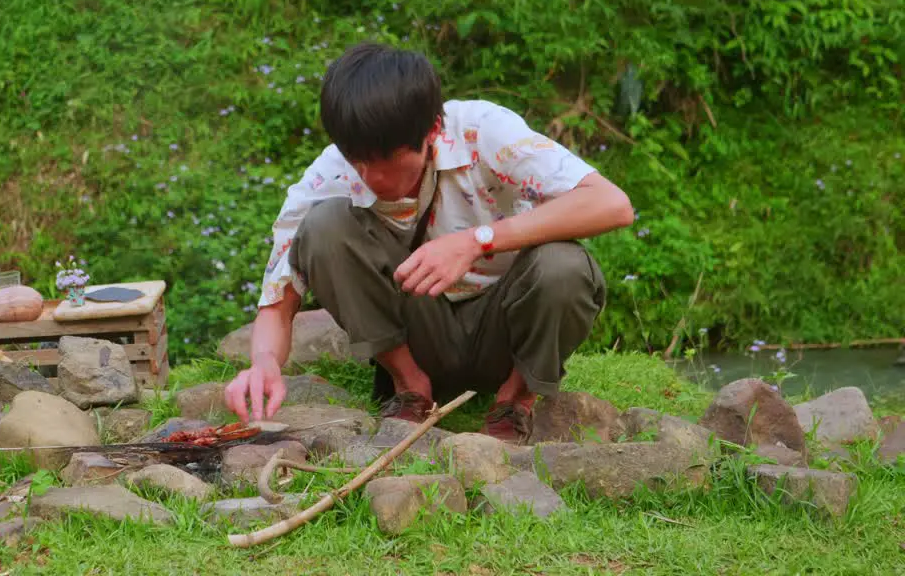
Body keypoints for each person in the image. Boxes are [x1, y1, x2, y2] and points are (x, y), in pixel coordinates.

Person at [222, 42, 635, 444]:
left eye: (387, 162)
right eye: (358, 160)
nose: (371, 178)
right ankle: (409, 387)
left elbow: (612, 204)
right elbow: (278, 300)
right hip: (419, 335)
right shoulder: (327, 174)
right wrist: (264, 364)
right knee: (324, 225)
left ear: (433, 129)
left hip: (508, 330)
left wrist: (478, 241)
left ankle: (516, 399)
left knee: (564, 264)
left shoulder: (484, 130)